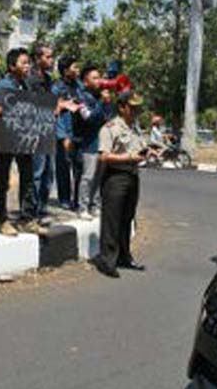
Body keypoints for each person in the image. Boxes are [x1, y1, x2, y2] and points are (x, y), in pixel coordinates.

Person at [94, 91, 150, 278]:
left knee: (127, 218)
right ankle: (107, 260)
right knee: (112, 219)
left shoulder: (134, 127)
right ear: (122, 107)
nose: (136, 111)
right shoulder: (110, 128)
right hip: (115, 176)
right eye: (132, 107)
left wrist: (148, 152)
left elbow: (139, 147)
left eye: (138, 108)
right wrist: (128, 157)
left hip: (132, 175)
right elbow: (104, 156)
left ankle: (124, 256)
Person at [0, 48, 39, 235]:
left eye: (28, 62)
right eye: (23, 63)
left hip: (24, 140)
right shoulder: (1, 86)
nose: (27, 66)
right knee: (3, 180)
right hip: (5, 139)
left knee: (27, 178)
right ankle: (2, 220)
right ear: (12, 66)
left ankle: (27, 218)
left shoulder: (27, 86)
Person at [73, 64, 111, 220]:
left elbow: (108, 118)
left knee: (99, 176)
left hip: (102, 143)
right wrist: (102, 102)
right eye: (94, 78)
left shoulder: (100, 96)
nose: (99, 81)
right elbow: (88, 118)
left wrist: (107, 103)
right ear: (85, 81)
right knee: (88, 176)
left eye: (99, 77)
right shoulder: (81, 97)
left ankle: (95, 205)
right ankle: (83, 207)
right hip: (89, 143)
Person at [29, 44, 56, 219]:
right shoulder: (30, 79)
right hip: (35, 131)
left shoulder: (48, 79)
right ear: (38, 58)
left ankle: (43, 207)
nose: (51, 60)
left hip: (48, 130)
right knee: (36, 173)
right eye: (47, 57)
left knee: (49, 172)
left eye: (52, 57)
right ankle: (32, 209)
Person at [52, 56, 82, 211]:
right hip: (64, 132)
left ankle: (77, 198)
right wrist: (62, 136)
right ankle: (64, 198)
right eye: (74, 67)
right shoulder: (57, 88)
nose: (77, 70)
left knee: (79, 166)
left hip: (79, 131)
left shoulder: (79, 86)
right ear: (65, 71)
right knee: (63, 166)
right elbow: (54, 112)